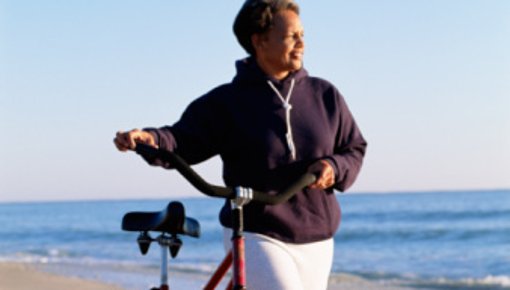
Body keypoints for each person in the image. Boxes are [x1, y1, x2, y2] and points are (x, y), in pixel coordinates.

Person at [114, 0, 367, 289]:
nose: (301, 43)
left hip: (317, 237)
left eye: (302, 35)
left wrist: (335, 166)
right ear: (259, 41)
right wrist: (152, 139)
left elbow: (353, 147)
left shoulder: (325, 95)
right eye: (290, 36)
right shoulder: (228, 101)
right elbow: (182, 138)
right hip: (257, 230)